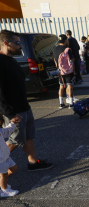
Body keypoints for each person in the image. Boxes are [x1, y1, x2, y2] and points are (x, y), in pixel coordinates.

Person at [0, 30, 54, 172]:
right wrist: (10, 113)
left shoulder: (11, 60)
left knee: (28, 137)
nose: (21, 46)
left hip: (24, 107)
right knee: (14, 140)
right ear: (6, 43)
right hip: (13, 111)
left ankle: (33, 162)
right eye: (17, 43)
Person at [53, 34, 76, 109]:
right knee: (69, 86)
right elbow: (72, 60)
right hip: (68, 71)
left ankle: (61, 103)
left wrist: (58, 68)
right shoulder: (67, 49)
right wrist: (74, 70)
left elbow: (55, 60)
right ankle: (71, 103)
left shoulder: (55, 49)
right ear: (65, 41)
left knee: (61, 86)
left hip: (60, 71)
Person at [0, 115, 20, 197]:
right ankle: (4, 190)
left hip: (5, 156)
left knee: (14, 168)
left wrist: (13, 123)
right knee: (3, 175)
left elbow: (8, 131)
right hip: (0, 160)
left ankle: (2, 184)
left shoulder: (1, 131)